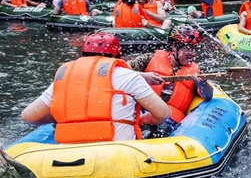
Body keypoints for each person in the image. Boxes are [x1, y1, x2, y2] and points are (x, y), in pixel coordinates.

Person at [21, 33, 170, 143]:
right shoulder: (129, 76)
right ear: (117, 55)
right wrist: (143, 120)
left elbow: (28, 116)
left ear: (83, 54)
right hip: (117, 151)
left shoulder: (64, 76)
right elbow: (163, 113)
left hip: (68, 151)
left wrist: (63, 117)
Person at [127, 25, 214, 138]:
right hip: (143, 112)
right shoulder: (149, 59)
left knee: (158, 132)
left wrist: (203, 84)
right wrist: (142, 75)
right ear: (174, 47)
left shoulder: (195, 71)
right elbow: (120, 73)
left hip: (170, 120)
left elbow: (208, 96)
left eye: (194, 49)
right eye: (188, 48)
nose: (193, 54)